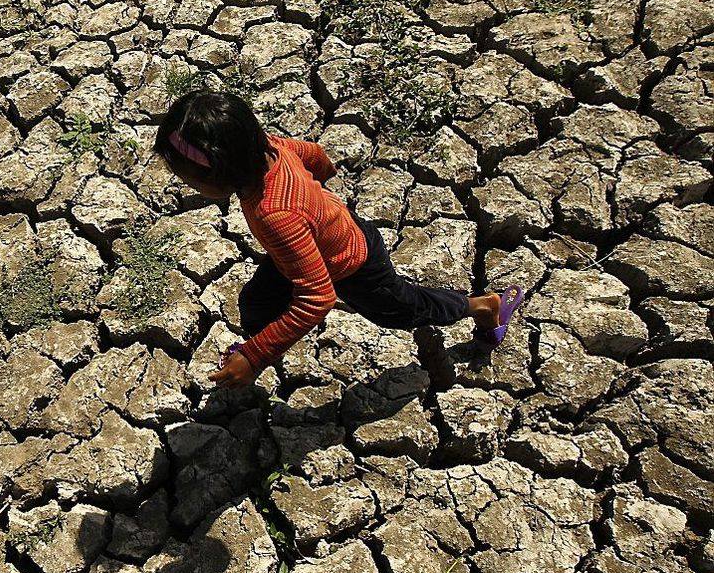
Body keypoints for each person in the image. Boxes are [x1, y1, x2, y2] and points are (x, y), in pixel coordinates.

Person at [151, 90, 524, 387]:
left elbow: (317, 298)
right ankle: (258, 346)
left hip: (353, 264)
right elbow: (315, 154)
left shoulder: (275, 214)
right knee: (257, 303)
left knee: (405, 309)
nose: (182, 182)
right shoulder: (270, 148)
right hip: (315, 244)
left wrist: (256, 357)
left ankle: (483, 306)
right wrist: (320, 200)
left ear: (218, 172)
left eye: (185, 176)